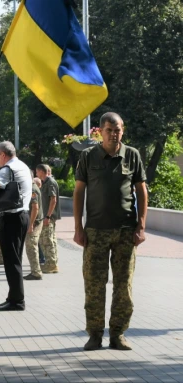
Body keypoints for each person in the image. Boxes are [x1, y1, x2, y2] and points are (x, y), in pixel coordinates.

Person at [73, 112, 148, 351]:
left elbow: (142, 191)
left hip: (126, 231)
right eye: (109, 130)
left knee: (123, 285)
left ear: (122, 131)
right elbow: (78, 192)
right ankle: (95, 335)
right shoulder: (88, 156)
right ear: (100, 131)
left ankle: (118, 334)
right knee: (94, 284)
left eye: (118, 130)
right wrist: (78, 227)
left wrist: (142, 225)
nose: (114, 134)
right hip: (95, 231)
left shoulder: (132, 155)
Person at [0, 141, 32, 312]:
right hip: (22, 216)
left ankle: (17, 301)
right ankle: (13, 297)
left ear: (2, 154)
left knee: (11, 260)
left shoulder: (8, 169)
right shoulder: (22, 166)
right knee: (15, 259)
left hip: (11, 218)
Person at [35, 164, 61, 274]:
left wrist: (48, 216)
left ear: (41, 171)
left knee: (47, 241)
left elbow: (53, 200)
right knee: (49, 240)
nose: (36, 174)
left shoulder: (50, 182)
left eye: (37, 172)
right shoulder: (46, 182)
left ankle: (51, 265)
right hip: (46, 216)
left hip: (48, 217)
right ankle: (51, 263)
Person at [24, 176, 43, 280]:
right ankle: (35, 271)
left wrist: (31, 224)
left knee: (31, 245)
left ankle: (36, 272)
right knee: (31, 245)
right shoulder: (34, 186)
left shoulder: (32, 188)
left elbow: (35, 208)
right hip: (35, 221)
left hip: (35, 222)